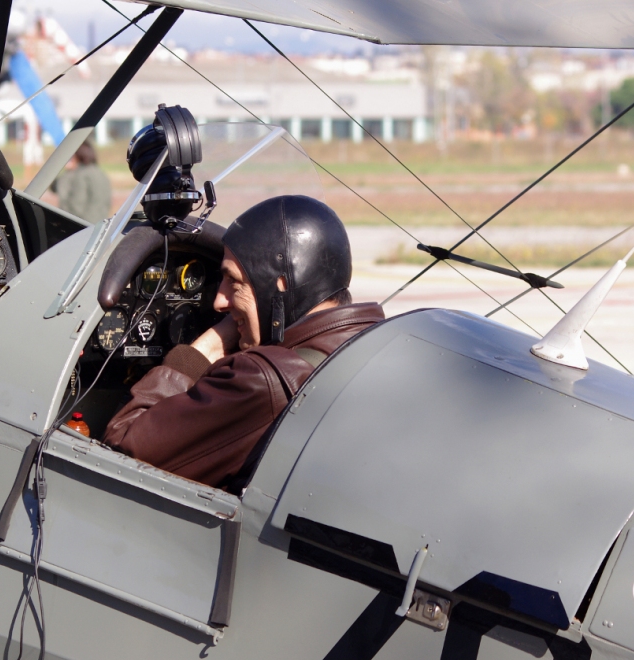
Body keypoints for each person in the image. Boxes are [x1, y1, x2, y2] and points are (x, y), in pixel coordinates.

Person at [103, 195, 385, 492]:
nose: (219, 301)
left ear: (281, 285)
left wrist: (205, 350)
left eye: (234, 283)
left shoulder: (261, 381)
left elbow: (122, 449)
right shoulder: (375, 341)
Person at [50, 141, 112, 223]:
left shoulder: (80, 175)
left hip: (81, 226)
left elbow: (75, 206)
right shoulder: (100, 173)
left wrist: (67, 172)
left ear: (77, 156)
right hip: (99, 223)